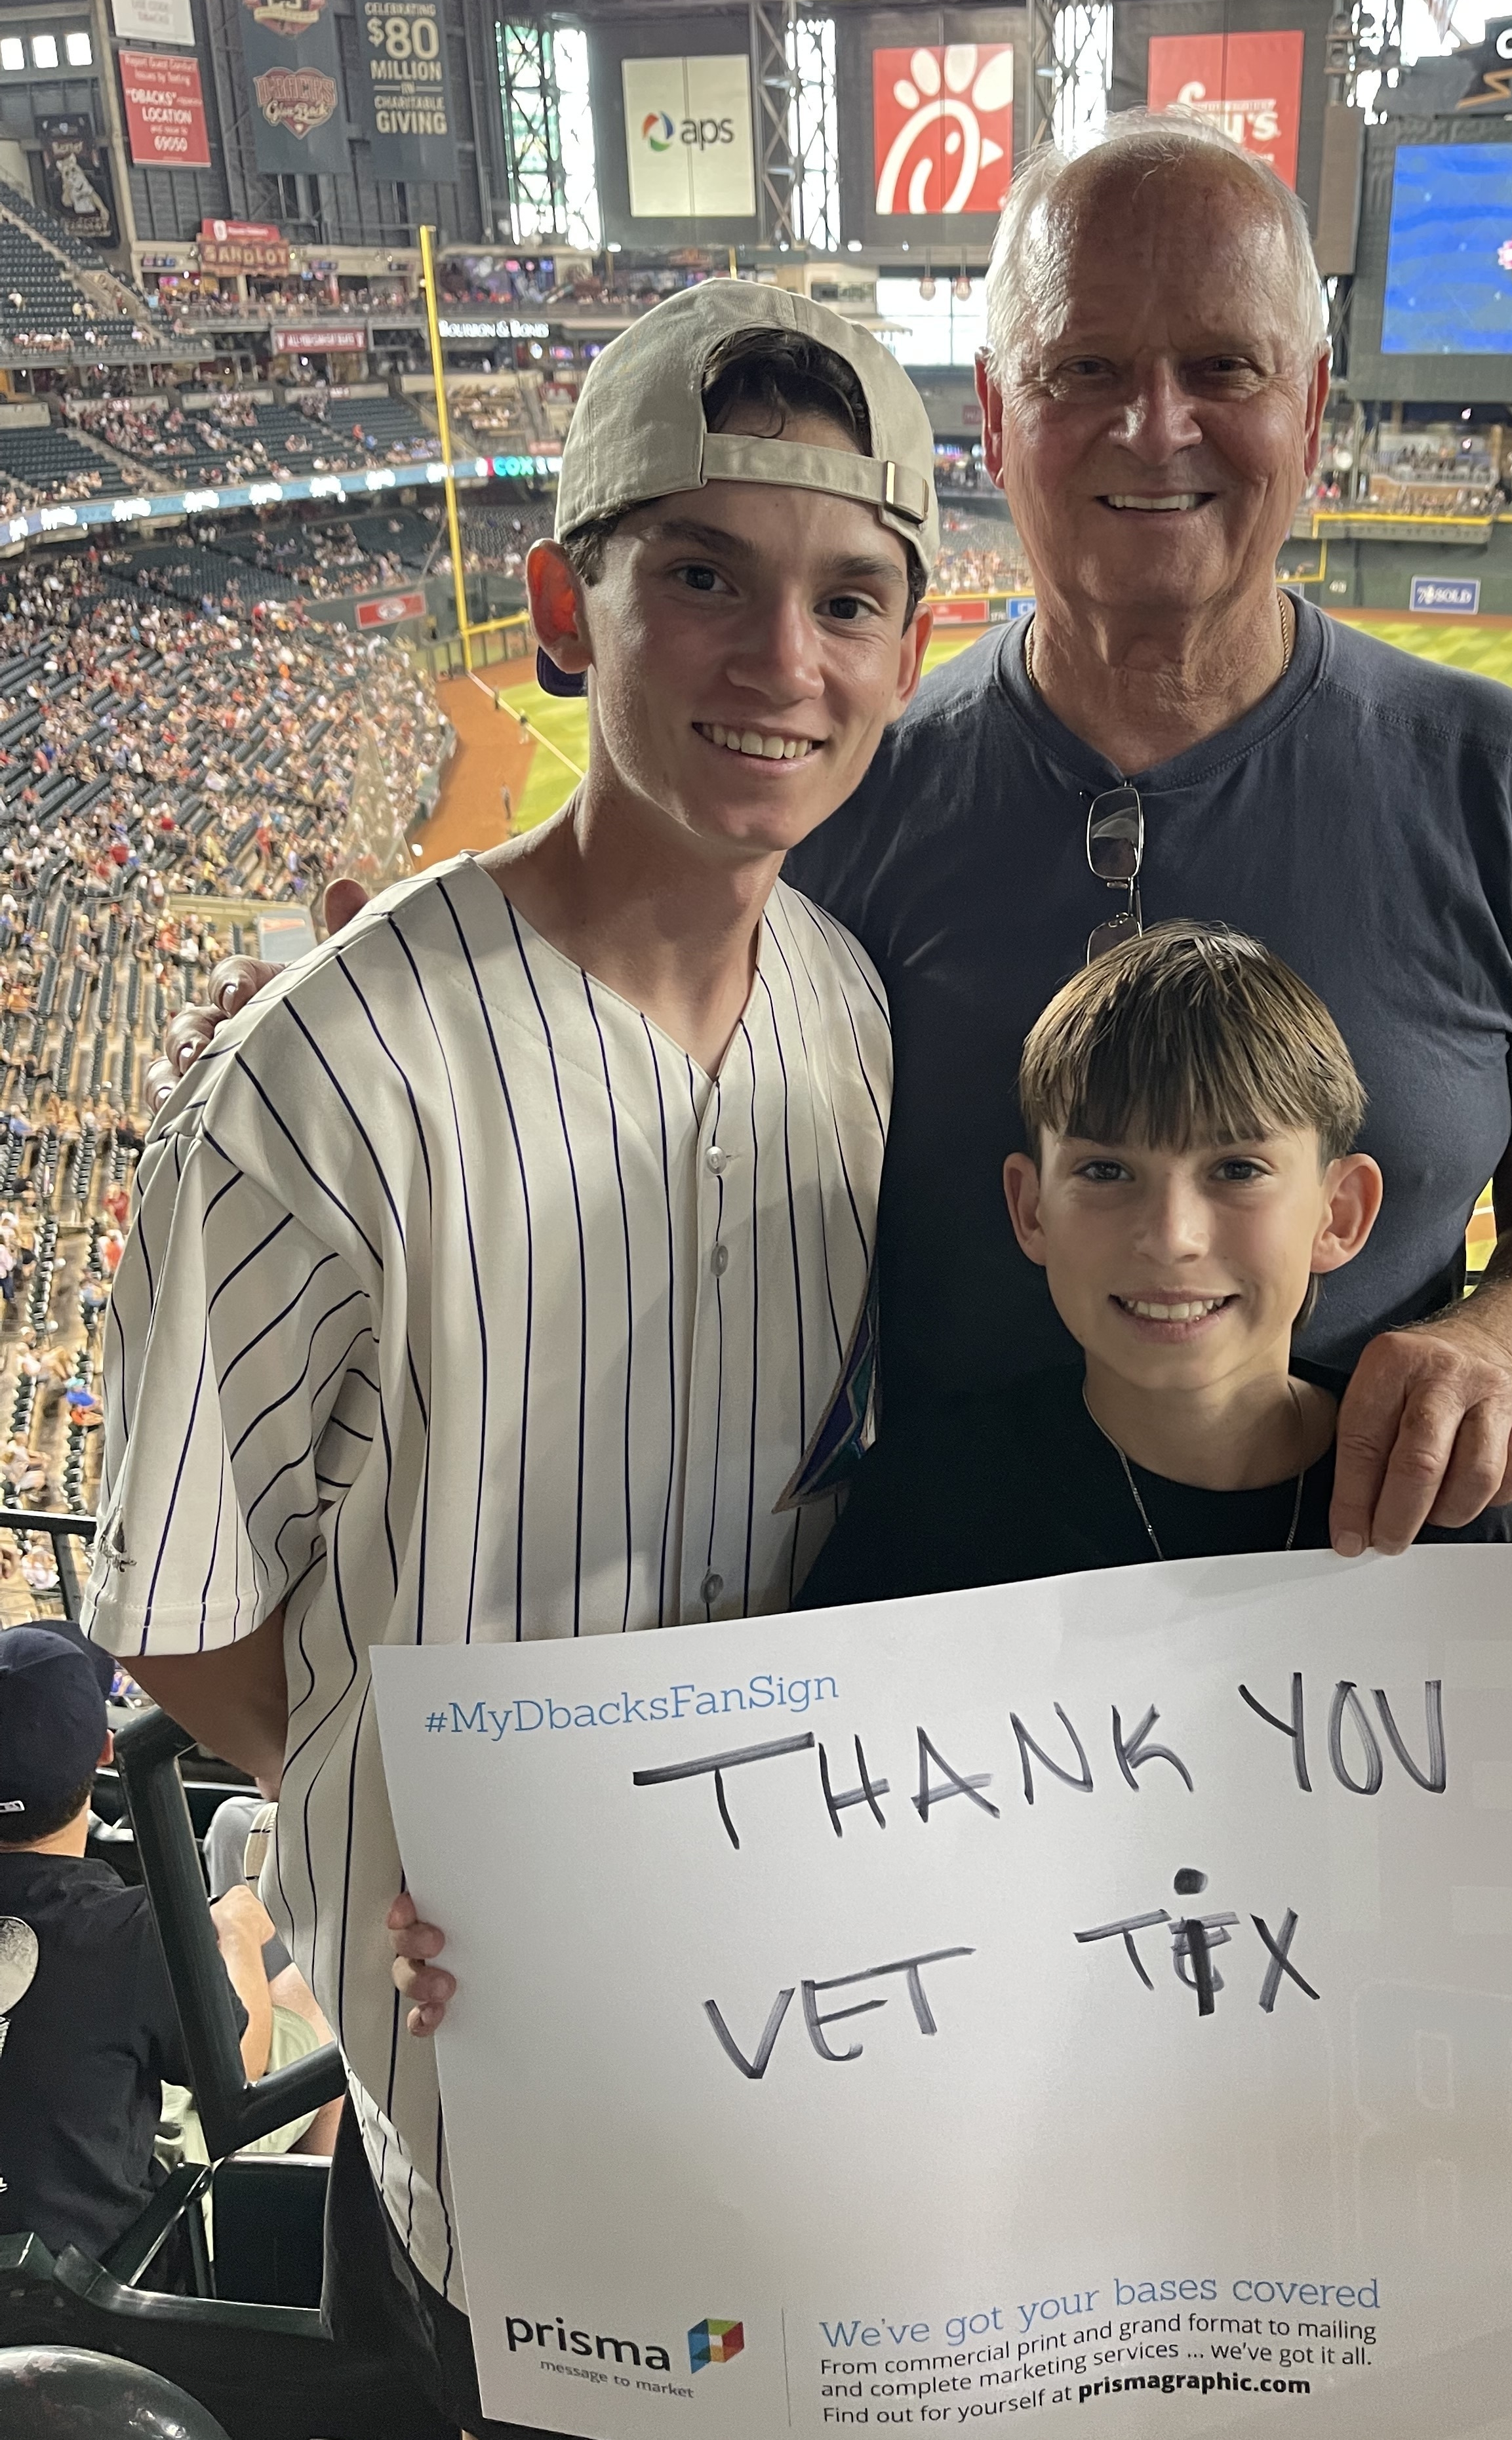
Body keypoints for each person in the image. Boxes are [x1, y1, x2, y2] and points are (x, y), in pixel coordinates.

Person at [159, 115, 1512, 1559]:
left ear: (1314, 407)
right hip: (947, 1665)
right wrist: (351, 1019)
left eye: (1224, 365)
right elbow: (616, 1018)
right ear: (1000, 415)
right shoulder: (832, 791)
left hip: (1371, 1643)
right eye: (1088, 366)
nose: (1158, 426)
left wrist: (1499, 1338)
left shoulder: (1494, 773)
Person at [83, 285, 940, 2438]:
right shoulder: (319, 1084)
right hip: (495, 2063)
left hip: (804, 2010)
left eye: (849, 598)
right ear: (564, 608)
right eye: (703, 579)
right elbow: (183, 1618)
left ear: (910, 655)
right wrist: (411, 1832)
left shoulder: (848, 1009)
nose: (784, 660)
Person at [797, 923, 1512, 1603]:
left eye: (1237, 1169)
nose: (1172, 1237)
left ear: (1340, 1213)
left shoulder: (1433, 1492)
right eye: (1107, 1172)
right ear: (1032, 1208)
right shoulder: (928, 1502)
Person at [0, 1620, 279, 2266]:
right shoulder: (134, 1929)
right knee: (312, 2015)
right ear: (105, 1752)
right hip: (95, 2295)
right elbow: (240, 2068)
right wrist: (234, 1931)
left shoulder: (133, 1927)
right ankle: (299, 2281)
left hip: (31, 2289)